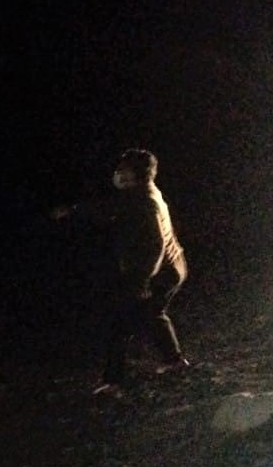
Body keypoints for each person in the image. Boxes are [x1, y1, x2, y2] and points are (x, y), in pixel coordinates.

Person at [53, 147, 189, 391]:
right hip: (171, 270)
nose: (117, 172)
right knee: (153, 315)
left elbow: (155, 244)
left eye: (123, 168)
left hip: (158, 274)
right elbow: (107, 209)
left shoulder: (145, 202)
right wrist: (73, 211)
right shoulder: (139, 194)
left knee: (122, 322)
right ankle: (175, 362)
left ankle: (113, 380)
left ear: (135, 173)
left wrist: (143, 281)